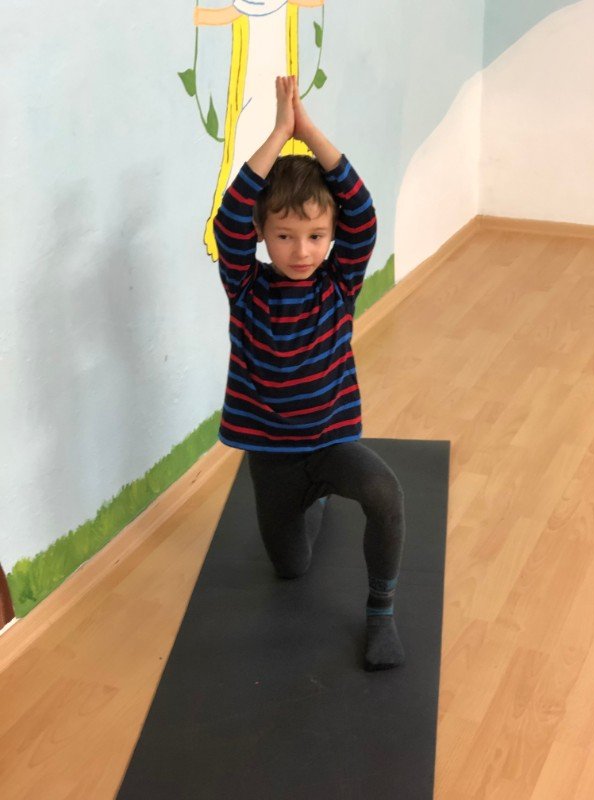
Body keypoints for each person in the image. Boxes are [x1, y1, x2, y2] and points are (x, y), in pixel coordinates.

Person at [213, 75, 406, 670]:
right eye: (285, 236)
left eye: (317, 235)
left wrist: (307, 129)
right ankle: (310, 502)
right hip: (272, 458)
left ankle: (381, 612)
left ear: (332, 236)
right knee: (291, 568)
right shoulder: (245, 287)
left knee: (385, 492)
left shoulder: (339, 283)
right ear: (262, 235)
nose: (302, 251)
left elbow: (362, 211)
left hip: (329, 443)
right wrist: (279, 133)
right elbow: (229, 217)